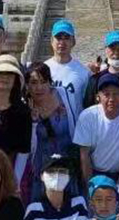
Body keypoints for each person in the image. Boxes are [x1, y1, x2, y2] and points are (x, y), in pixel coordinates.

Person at [20, 62, 78, 202]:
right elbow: (27, 144)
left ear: (50, 82)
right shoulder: (24, 105)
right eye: (34, 82)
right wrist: (33, 122)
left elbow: (75, 124)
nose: (39, 87)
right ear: (27, 85)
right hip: (40, 164)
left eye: (43, 81)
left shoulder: (64, 96)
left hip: (66, 160)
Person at [73, 73, 119, 185]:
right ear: (98, 97)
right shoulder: (87, 116)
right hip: (94, 172)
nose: (111, 99)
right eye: (106, 94)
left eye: (116, 94)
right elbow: (84, 155)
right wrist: (90, 187)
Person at [45, 19, 92, 125]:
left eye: (66, 38)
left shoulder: (83, 72)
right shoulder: (43, 69)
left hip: (74, 130)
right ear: (51, 41)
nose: (62, 42)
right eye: (58, 38)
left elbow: (87, 106)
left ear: (73, 41)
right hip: (48, 130)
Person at [83, 31, 119, 108]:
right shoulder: (95, 80)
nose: (116, 52)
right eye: (112, 48)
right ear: (106, 50)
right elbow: (88, 107)